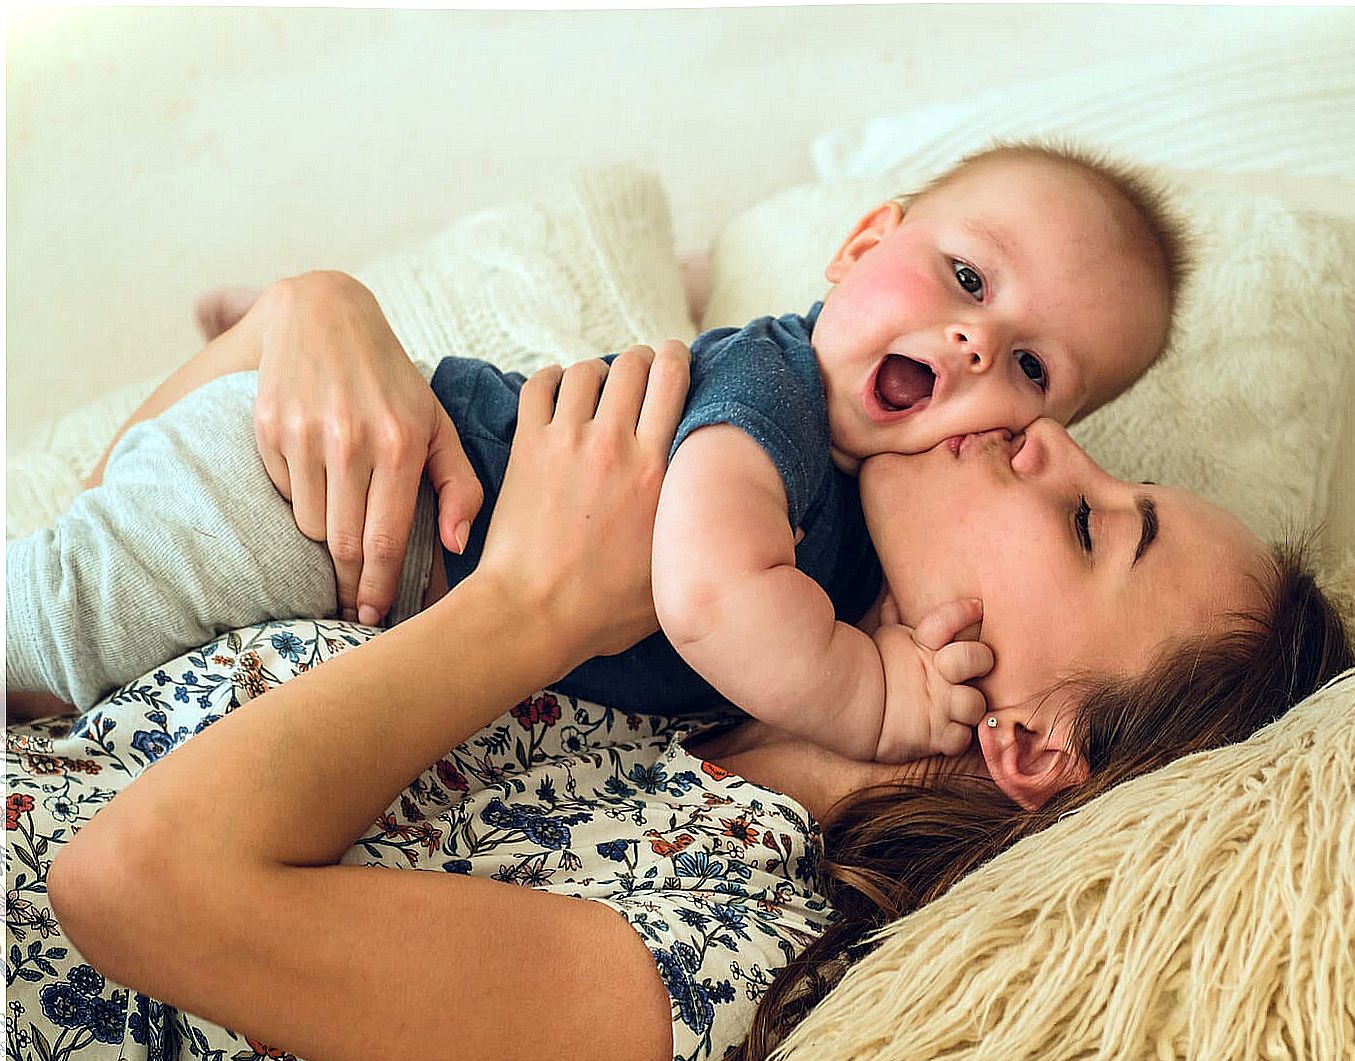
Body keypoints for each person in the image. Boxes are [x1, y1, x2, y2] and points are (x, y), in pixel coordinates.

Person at [10, 343, 1355, 1061]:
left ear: (1027, 745)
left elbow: (128, 883)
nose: (1048, 437)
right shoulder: (683, 637)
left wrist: (535, 602)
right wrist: (311, 325)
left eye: (1089, 524)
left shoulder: (720, 957)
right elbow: (117, 552)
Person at [7, 139, 1191, 764]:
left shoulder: (849, 511)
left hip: (357, 562)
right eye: (967, 277)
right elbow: (708, 592)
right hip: (315, 503)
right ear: (859, 245)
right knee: (53, 634)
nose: (976, 341)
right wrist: (868, 693)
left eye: (1033, 368)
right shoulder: (768, 397)